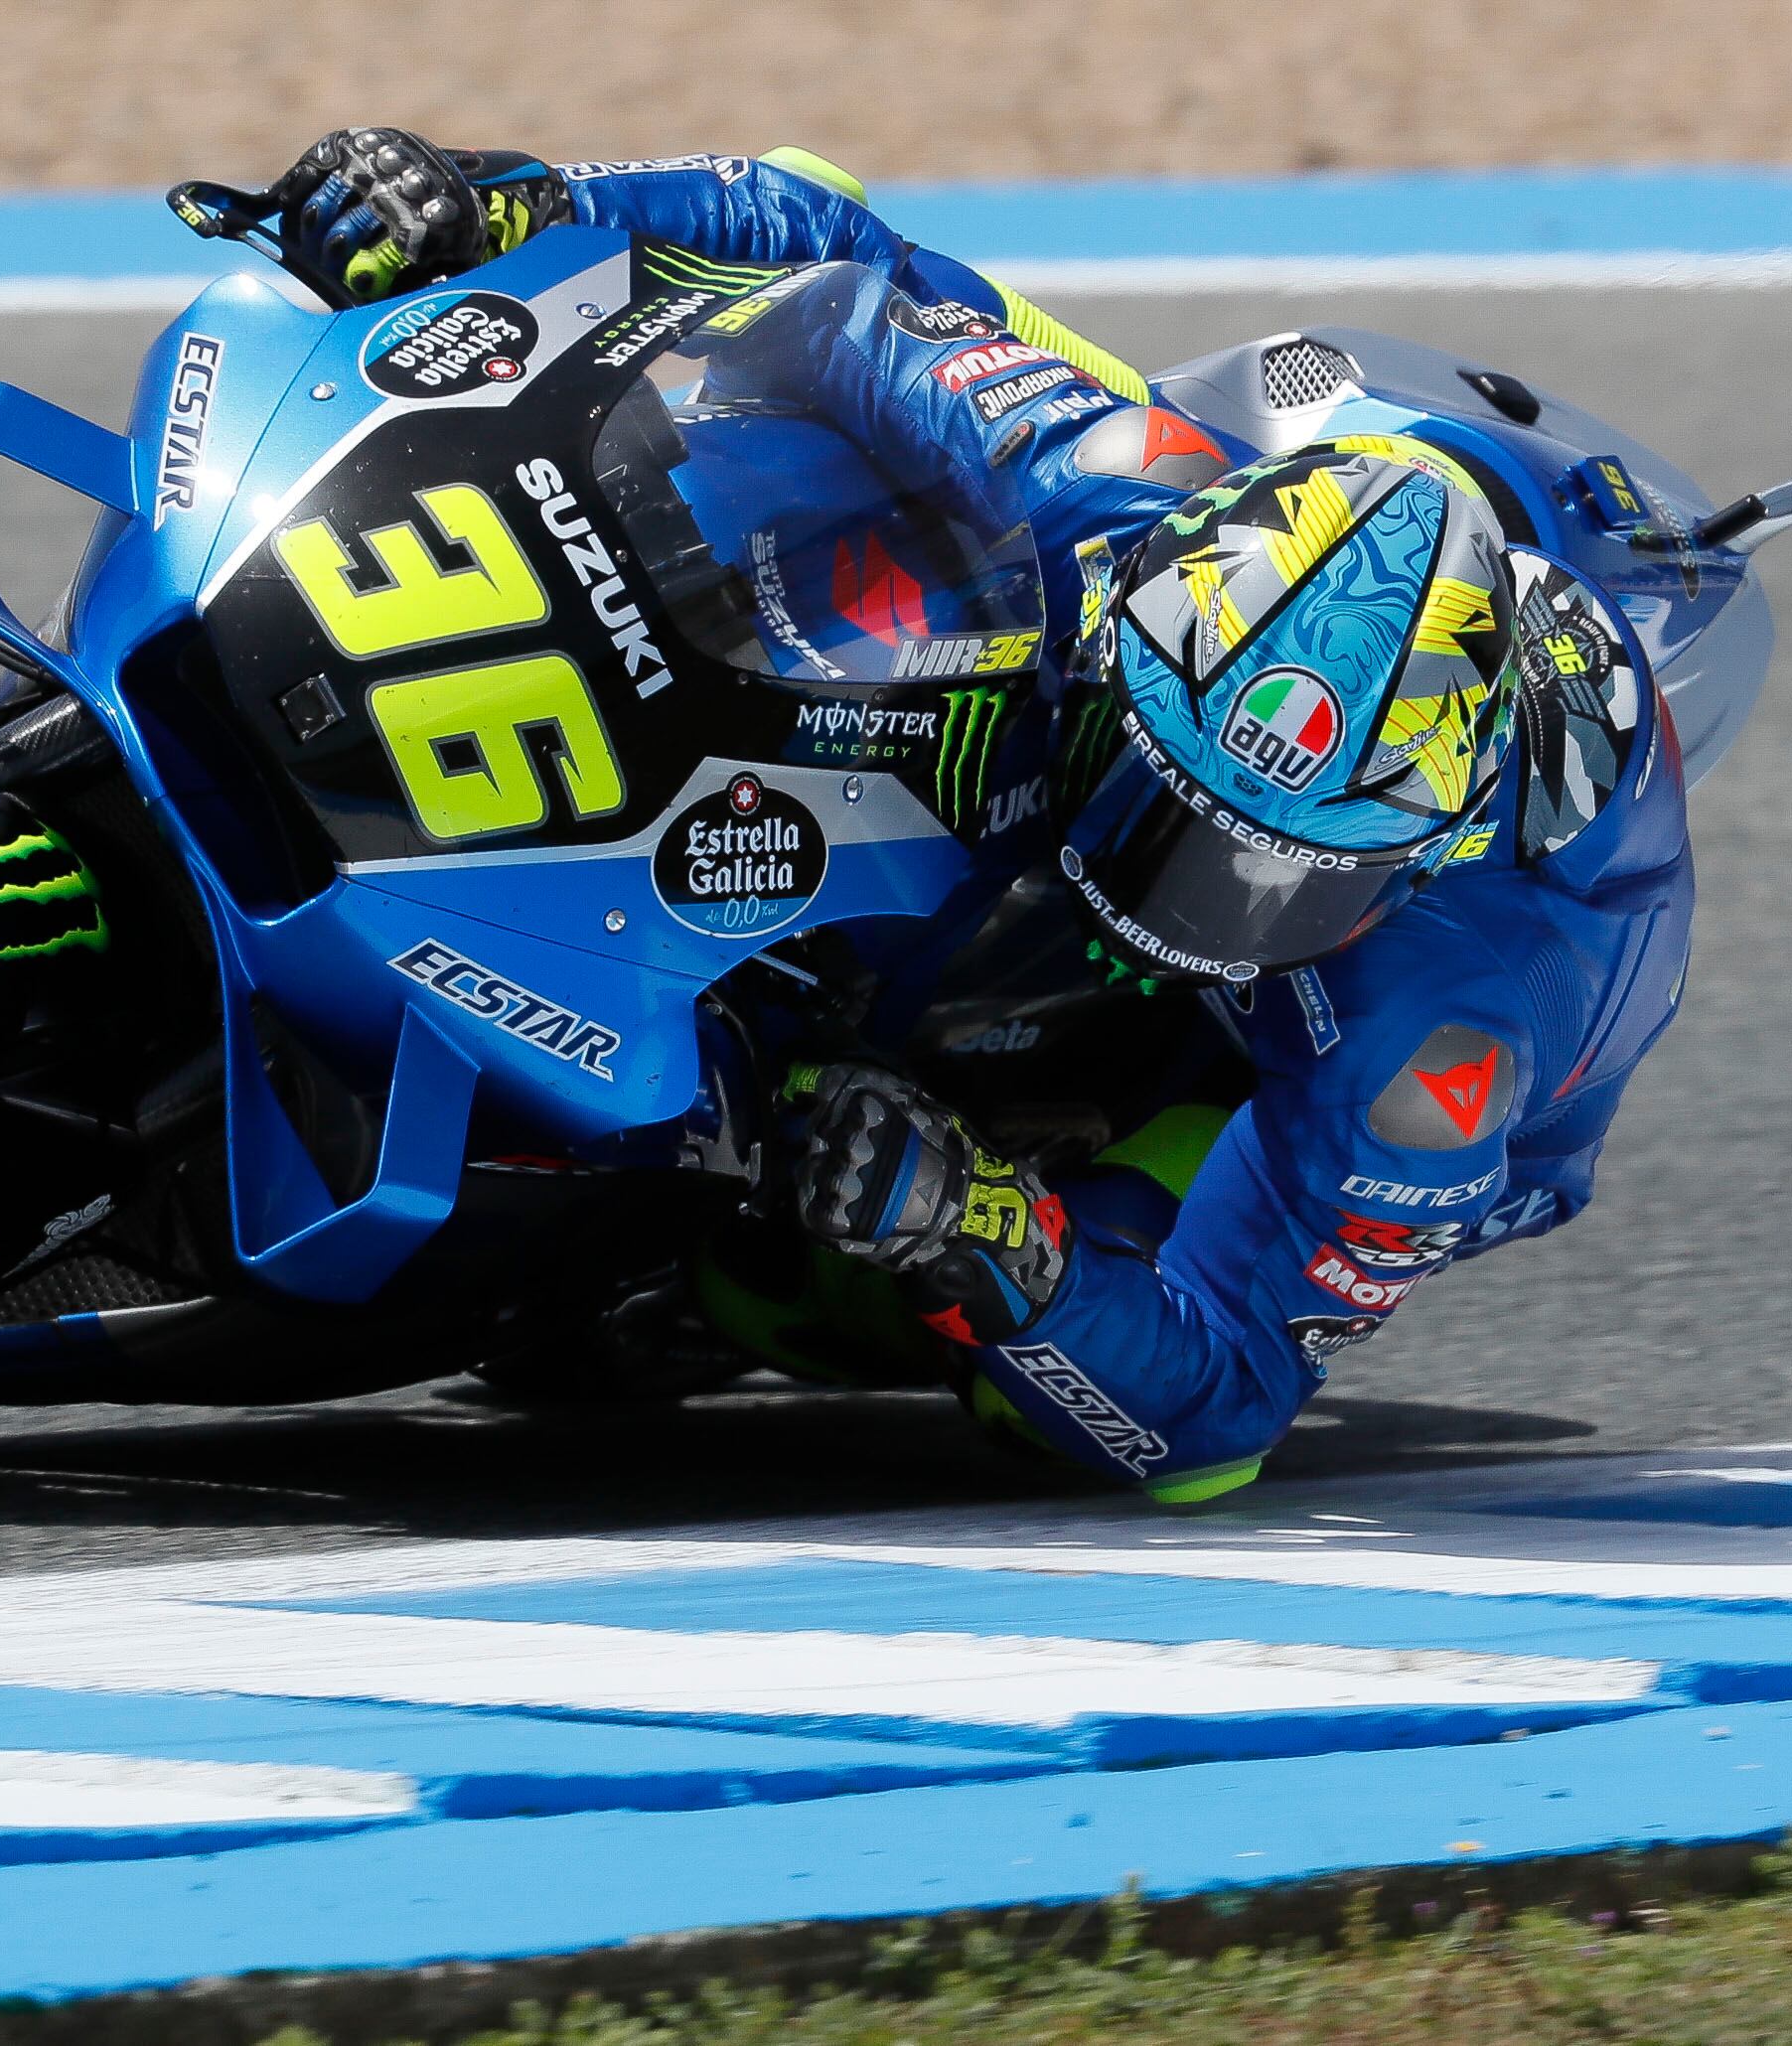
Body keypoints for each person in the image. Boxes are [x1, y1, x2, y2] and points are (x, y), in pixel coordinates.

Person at [269, 130, 1694, 1504]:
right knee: (830, 508)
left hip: (1304, 1064)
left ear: (1420, 846)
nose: (1193, 891)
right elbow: (827, 248)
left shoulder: (1438, 1044)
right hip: (1252, 599)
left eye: (1278, 872)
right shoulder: (1122, 486)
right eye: (1170, 806)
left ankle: (709, 1281)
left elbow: (1217, 1412)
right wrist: (502, 196)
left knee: (947, 1332)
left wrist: (986, 1230)